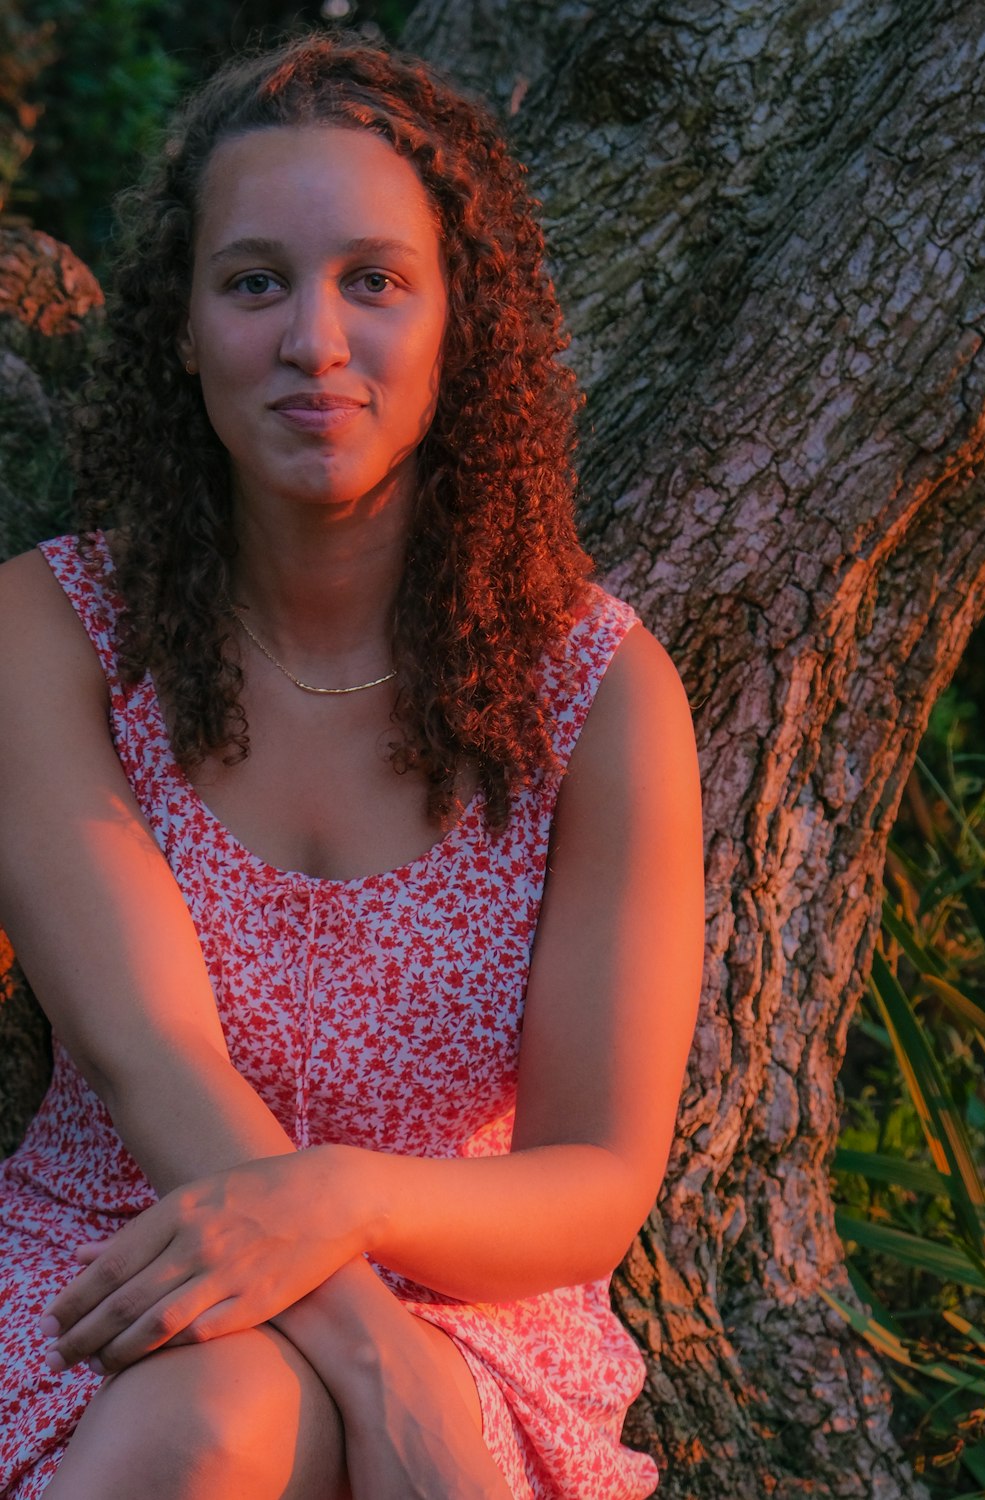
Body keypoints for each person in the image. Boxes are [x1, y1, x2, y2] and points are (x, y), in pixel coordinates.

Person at [0, 29, 704, 1500]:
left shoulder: (598, 691)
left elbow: (596, 1183)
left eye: (374, 281)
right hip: (106, 1267)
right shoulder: (51, 628)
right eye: (255, 282)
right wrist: (377, 1373)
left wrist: (336, 1204)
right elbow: (146, 1054)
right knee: (202, 1417)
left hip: (472, 1311)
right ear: (183, 327)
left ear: (461, 323)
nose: (314, 340)